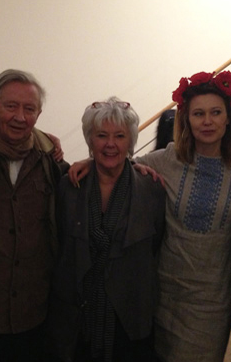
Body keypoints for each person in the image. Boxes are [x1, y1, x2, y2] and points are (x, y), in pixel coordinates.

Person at [69, 71, 231, 362]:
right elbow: (119, 162)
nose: (207, 121)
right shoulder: (164, 160)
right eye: (198, 114)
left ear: (228, 117)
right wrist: (89, 161)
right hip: (161, 297)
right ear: (186, 120)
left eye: (215, 113)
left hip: (211, 303)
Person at [48, 97, 166, 362]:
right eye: (101, 135)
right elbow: (59, 247)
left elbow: (155, 246)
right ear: (90, 141)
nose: (110, 144)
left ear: (131, 141)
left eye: (120, 136)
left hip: (129, 317)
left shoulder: (151, 189)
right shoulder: (68, 187)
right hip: (77, 319)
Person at [0, 69, 69, 362]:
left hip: (35, 315)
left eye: (29, 109)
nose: (20, 117)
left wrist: (132, 168)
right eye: (11, 106)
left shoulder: (51, 160)